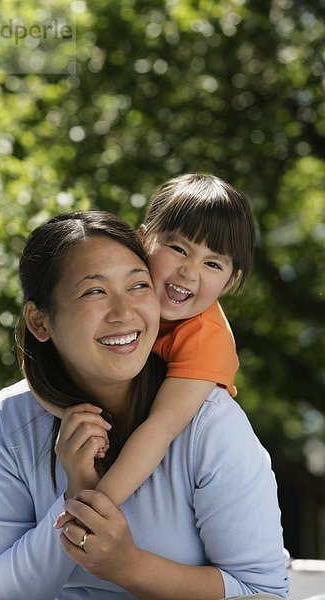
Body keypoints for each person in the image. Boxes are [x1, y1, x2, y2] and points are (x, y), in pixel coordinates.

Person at [0, 210, 288, 599]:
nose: (124, 313)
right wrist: (76, 494)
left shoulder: (209, 423)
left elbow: (263, 593)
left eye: (138, 286)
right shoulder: (5, 421)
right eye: (94, 291)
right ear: (40, 322)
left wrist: (128, 565)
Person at [57, 173, 255, 516]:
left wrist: (97, 507)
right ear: (143, 238)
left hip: (179, 465)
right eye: (178, 249)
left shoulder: (206, 338)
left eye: (212, 264)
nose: (188, 272)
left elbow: (161, 429)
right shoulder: (119, 296)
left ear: (230, 281)